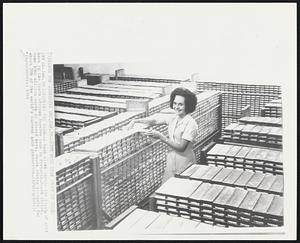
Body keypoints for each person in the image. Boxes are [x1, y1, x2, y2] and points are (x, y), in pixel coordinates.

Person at [126, 87, 198, 183]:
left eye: (181, 104)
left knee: (181, 190)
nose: (176, 107)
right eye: (175, 103)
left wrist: (160, 137)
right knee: (168, 190)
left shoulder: (191, 124)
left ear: (188, 105)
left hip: (184, 161)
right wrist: (135, 120)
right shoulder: (174, 118)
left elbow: (181, 147)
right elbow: (155, 120)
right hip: (171, 159)